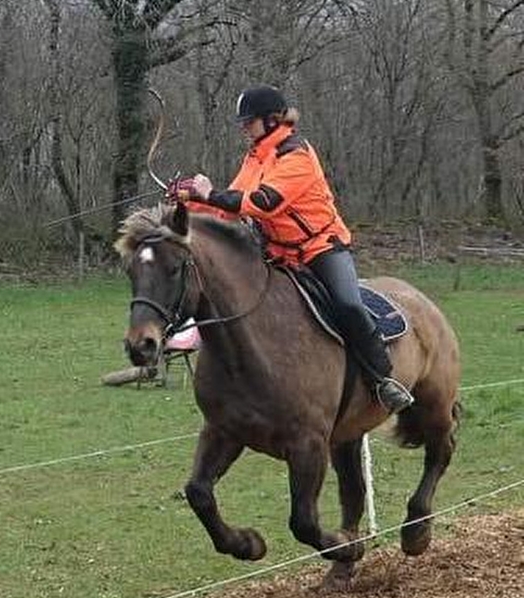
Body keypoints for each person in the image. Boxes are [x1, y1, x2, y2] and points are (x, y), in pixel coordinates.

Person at [171, 85, 415, 413]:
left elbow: (262, 203)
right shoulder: (256, 156)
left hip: (320, 248)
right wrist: (191, 203)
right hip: (277, 252)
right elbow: (229, 209)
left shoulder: (296, 155)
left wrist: (208, 192)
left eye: (250, 121)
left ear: (272, 121)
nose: (244, 127)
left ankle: (383, 379)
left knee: (347, 304)